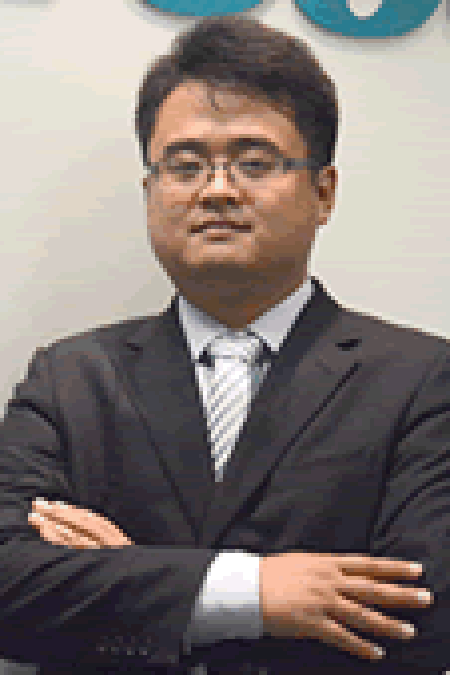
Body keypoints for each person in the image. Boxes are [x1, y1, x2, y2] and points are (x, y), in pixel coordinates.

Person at [0, 14, 449, 675]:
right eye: (185, 165)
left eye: (254, 162)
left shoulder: (423, 379)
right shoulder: (69, 378)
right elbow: (8, 588)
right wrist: (253, 593)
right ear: (150, 190)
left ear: (323, 192)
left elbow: (424, 614)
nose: (217, 189)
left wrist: (128, 581)